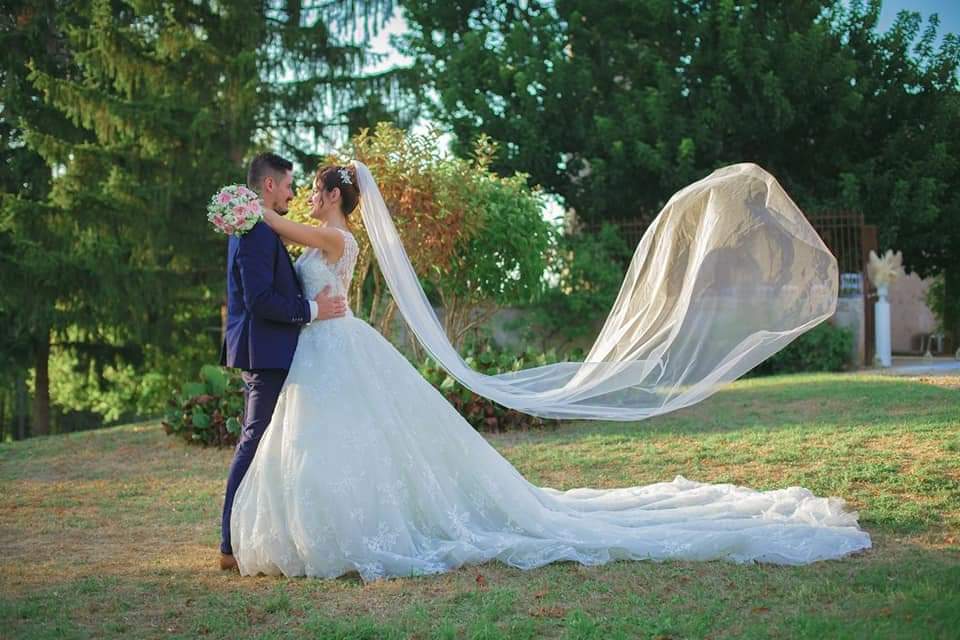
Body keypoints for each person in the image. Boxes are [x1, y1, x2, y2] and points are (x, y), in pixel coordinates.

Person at [226, 162, 871, 581]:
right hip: (324, 343)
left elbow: (273, 223)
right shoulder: (322, 232)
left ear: (333, 196)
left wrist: (241, 208)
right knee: (332, 439)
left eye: (315, 188)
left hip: (335, 342)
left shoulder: (334, 237)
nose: (307, 195)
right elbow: (279, 235)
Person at [217, 152, 346, 572]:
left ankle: (274, 533)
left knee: (281, 444)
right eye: (289, 185)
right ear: (269, 185)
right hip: (266, 351)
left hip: (279, 350)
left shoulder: (258, 225)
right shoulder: (255, 227)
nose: (293, 193)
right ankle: (228, 545)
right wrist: (313, 309)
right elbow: (260, 300)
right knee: (254, 441)